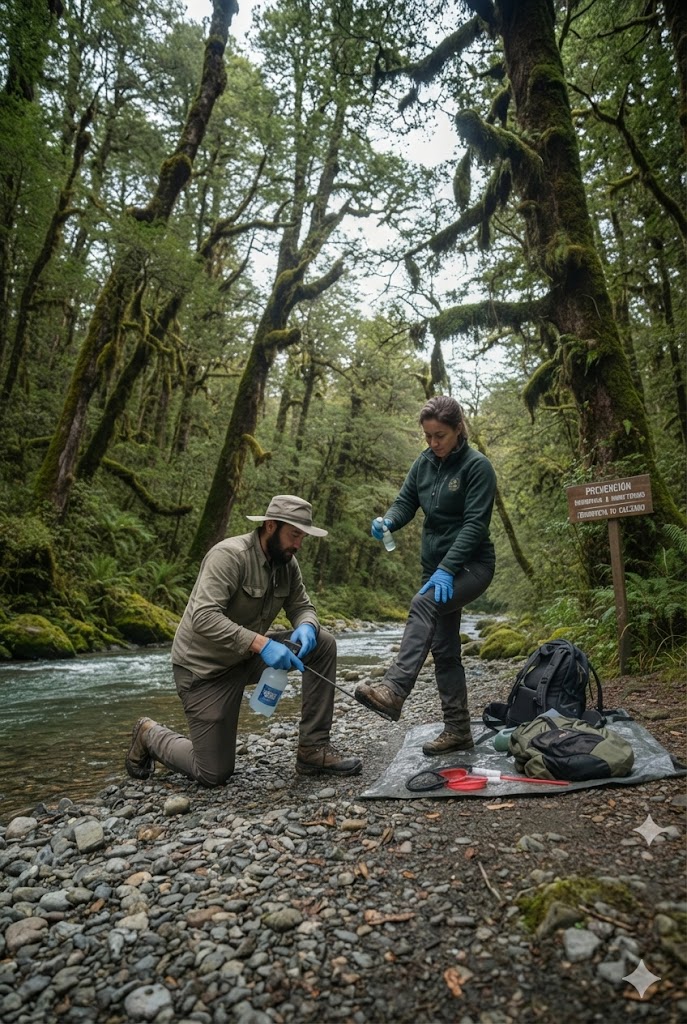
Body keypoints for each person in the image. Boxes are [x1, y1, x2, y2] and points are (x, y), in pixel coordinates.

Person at [125, 494, 362, 785]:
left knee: (322, 643)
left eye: (303, 537)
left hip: (247, 657)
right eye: (294, 534)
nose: (299, 544)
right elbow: (203, 617)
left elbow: (302, 606)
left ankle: (313, 750)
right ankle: (149, 734)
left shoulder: (287, 563)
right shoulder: (229, 556)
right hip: (204, 671)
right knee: (213, 773)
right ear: (271, 526)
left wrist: (307, 626)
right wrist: (263, 644)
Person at [355, 396, 496, 755]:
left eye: (440, 436)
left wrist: (447, 569)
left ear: (458, 429)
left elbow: (475, 525)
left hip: (471, 566)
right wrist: (388, 520)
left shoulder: (477, 467)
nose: (433, 443)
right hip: (435, 568)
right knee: (444, 649)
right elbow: (406, 502)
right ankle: (458, 730)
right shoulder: (424, 463)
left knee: (423, 604)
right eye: (428, 436)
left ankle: (394, 690)